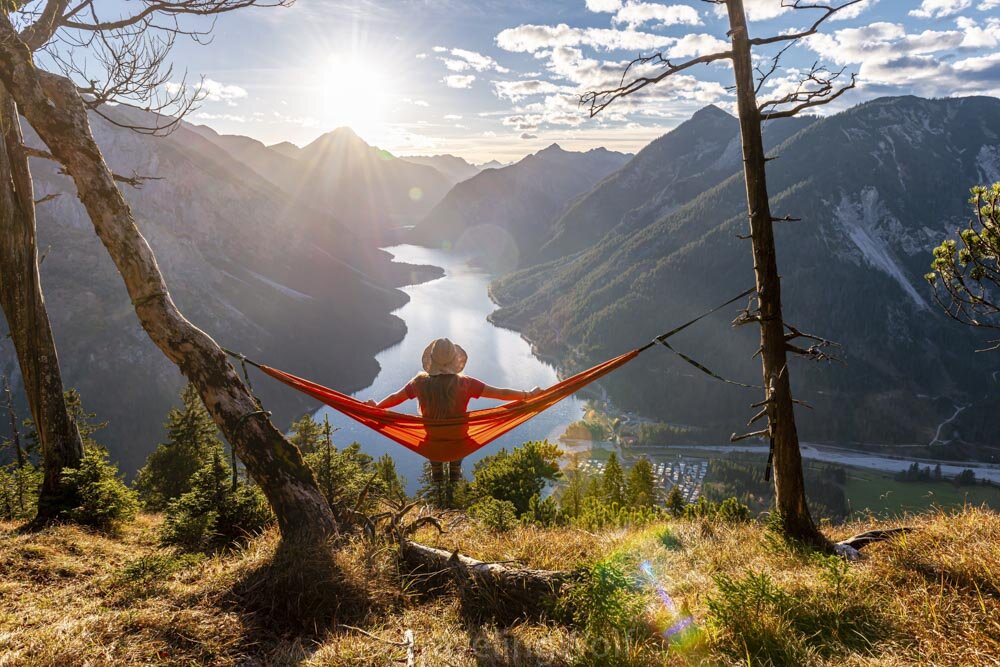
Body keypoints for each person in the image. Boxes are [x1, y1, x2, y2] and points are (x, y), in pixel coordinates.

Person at [366, 337, 542, 505]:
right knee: (457, 439)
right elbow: (501, 393)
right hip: (458, 442)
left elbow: (396, 397)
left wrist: (377, 407)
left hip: (433, 442)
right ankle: (454, 471)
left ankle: (437, 470)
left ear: (431, 361)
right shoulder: (465, 384)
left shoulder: (419, 383)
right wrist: (528, 395)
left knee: (434, 439)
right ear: (454, 361)